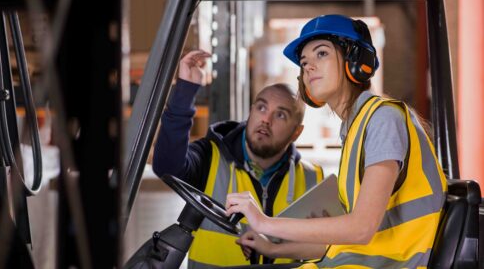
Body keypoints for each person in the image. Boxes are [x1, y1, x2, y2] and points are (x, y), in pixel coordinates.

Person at [226, 14, 447, 268]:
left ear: (356, 61)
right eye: (304, 61)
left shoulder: (383, 118)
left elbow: (361, 229)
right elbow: (346, 239)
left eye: (321, 54)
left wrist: (263, 221)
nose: (308, 67)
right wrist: (274, 247)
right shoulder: (355, 128)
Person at [152, 50, 324, 268]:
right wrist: (185, 90)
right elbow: (166, 166)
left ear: (296, 133)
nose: (266, 120)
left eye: (280, 115)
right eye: (261, 107)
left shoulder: (312, 179)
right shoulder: (210, 156)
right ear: (250, 112)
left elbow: (327, 252)